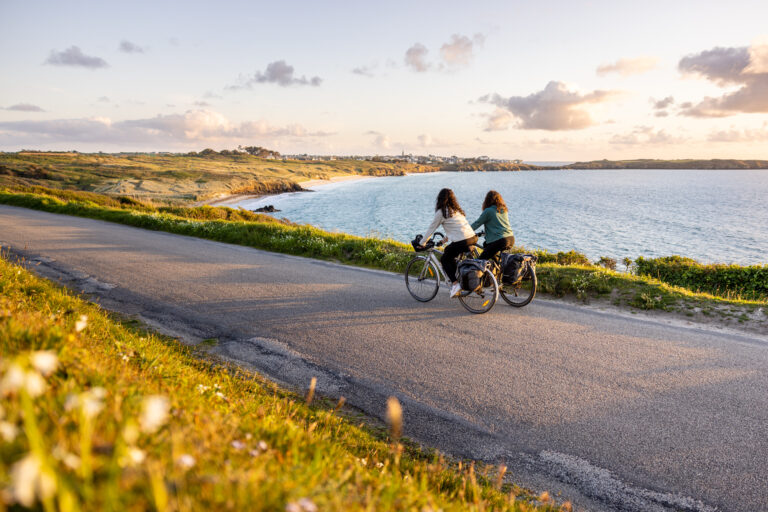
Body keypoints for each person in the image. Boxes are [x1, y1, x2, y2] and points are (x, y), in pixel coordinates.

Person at [420, 188, 478, 298]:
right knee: (448, 252)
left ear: (440, 199)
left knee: (444, 259)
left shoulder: (441, 212)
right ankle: (459, 279)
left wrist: (423, 242)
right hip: (472, 238)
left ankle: (455, 285)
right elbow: (456, 228)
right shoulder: (456, 210)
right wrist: (444, 240)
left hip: (462, 240)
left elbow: (431, 228)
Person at [471, 190, 515, 261]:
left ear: (487, 200)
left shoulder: (488, 211)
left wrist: (465, 231)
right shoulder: (503, 210)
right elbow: (498, 225)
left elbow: (477, 223)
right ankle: (497, 266)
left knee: (480, 261)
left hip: (500, 240)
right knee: (486, 245)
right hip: (511, 238)